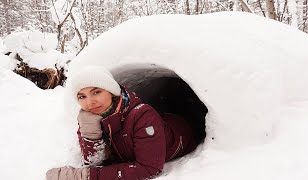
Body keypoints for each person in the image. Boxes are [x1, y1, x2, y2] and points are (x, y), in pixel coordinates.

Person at [46, 66, 197, 180]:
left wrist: (84, 176)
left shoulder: (142, 115)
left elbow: (149, 168)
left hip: (184, 130)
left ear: (111, 91)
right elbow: (96, 161)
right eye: (82, 96)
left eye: (96, 92)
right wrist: (90, 132)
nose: (90, 102)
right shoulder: (88, 118)